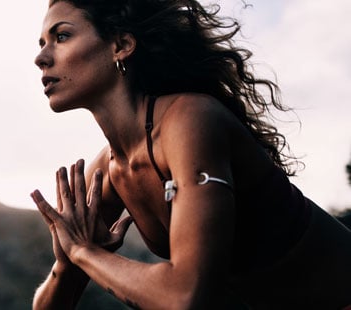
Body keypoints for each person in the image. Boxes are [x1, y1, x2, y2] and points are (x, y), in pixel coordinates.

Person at [28, 0, 351, 309]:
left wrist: (85, 253)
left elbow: (184, 297)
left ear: (121, 45)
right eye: (42, 42)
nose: (41, 57)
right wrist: (67, 262)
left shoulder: (189, 120)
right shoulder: (106, 173)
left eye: (62, 36)